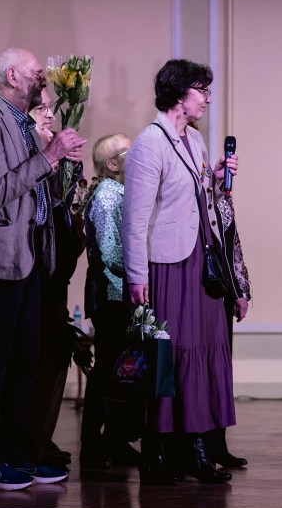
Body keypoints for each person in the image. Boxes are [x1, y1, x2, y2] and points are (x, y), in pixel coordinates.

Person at [0, 47, 86, 491]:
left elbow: (38, 189)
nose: (43, 78)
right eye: (36, 72)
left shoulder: (22, 123)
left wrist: (61, 163)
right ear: (12, 76)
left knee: (24, 361)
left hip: (25, 258)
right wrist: (48, 156)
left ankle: (18, 453)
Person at [121, 58, 238, 485]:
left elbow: (196, 198)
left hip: (199, 260)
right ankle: (159, 450)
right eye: (200, 90)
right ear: (177, 94)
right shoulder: (149, 144)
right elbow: (134, 220)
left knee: (202, 348)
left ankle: (196, 446)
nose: (207, 98)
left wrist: (217, 178)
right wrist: (137, 276)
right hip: (169, 265)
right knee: (171, 357)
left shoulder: (196, 139)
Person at [26, 88, 86, 469]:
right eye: (40, 108)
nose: (49, 115)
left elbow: (64, 204)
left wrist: (71, 169)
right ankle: (28, 441)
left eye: (50, 107)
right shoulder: (25, 152)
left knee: (55, 353)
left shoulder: (53, 154)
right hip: (32, 271)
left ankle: (41, 437)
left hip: (55, 273)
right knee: (36, 357)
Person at [80, 132, 140, 469]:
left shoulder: (124, 194)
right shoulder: (106, 196)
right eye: (131, 151)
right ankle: (93, 444)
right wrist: (143, 267)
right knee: (107, 370)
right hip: (111, 295)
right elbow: (110, 252)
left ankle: (116, 440)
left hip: (122, 293)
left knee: (122, 370)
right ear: (113, 164)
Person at [204, 187, 252, 469]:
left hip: (221, 290)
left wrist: (239, 290)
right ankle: (198, 446)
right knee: (201, 370)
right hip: (201, 289)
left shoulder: (221, 199)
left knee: (220, 370)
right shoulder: (195, 193)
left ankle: (217, 445)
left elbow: (231, 245)